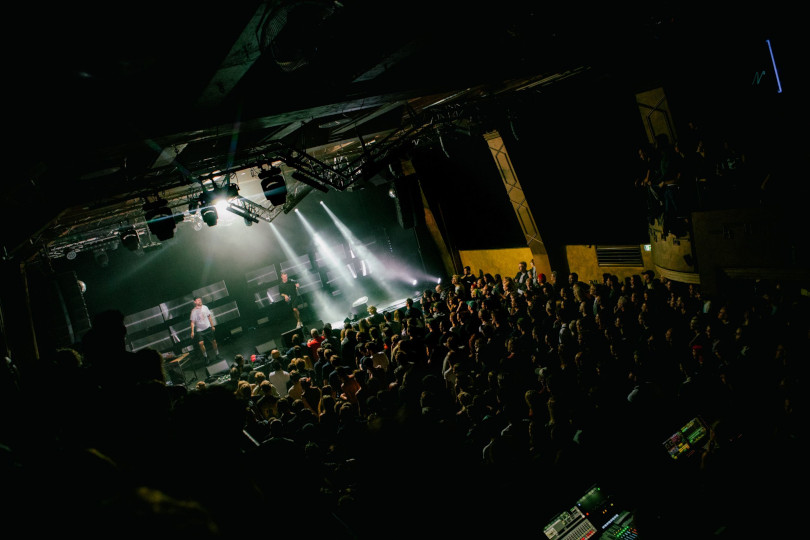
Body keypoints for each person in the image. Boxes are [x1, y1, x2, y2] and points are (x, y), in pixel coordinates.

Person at [190, 297, 219, 362]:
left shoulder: (205, 307)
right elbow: (192, 322)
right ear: (195, 302)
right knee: (201, 343)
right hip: (200, 330)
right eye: (198, 300)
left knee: (214, 342)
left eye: (200, 300)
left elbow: (209, 317)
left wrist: (212, 326)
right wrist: (192, 331)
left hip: (208, 327)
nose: (200, 301)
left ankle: (217, 355)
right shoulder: (193, 311)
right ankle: (206, 357)